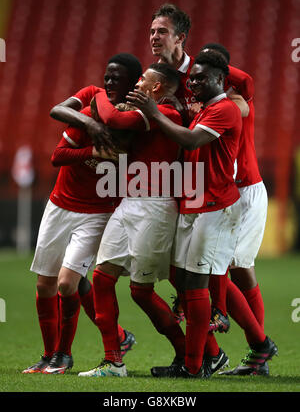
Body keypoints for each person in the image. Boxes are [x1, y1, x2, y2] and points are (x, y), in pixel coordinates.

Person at [127, 49, 277, 378]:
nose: (193, 81)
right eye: (191, 77)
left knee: (217, 276)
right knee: (188, 281)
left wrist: (155, 112)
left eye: (201, 77)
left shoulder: (227, 107)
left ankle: (225, 350)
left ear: (221, 80)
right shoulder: (206, 108)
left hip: (220, 204)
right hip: (196, 203)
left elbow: (192, 141)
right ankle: (210, 354)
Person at [22, 53, 142, 375]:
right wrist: (90, 134)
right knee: (45, 285)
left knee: (66, 283)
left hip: (97, 213)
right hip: (60, 204)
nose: (108, 82)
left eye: (116, 78)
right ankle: (49, 356)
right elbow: (57, 155)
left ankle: (64, 355)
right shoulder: (90, 101)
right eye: (107, 76)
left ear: (132, 85)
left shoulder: (137, 122)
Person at [76, 62, 186, 378]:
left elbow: (112, 118)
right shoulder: (149, 112)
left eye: (142, 80)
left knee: (141, 290)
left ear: (157, 88)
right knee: (102, 277)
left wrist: (97, 93)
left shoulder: (167, 114)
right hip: (129, 202)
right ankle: (114, 362)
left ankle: (194, 352)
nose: (136, 83)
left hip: (155, 208)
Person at [200, 43, 277, 376]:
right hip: (221, 193)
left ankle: (257, 350)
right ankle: (256, 352)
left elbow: (244, 79)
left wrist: (200, 61)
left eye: (209, 68)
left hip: (247, 192)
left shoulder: (240, 99)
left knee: (230, 265)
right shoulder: (205, 103)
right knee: (240, 270)